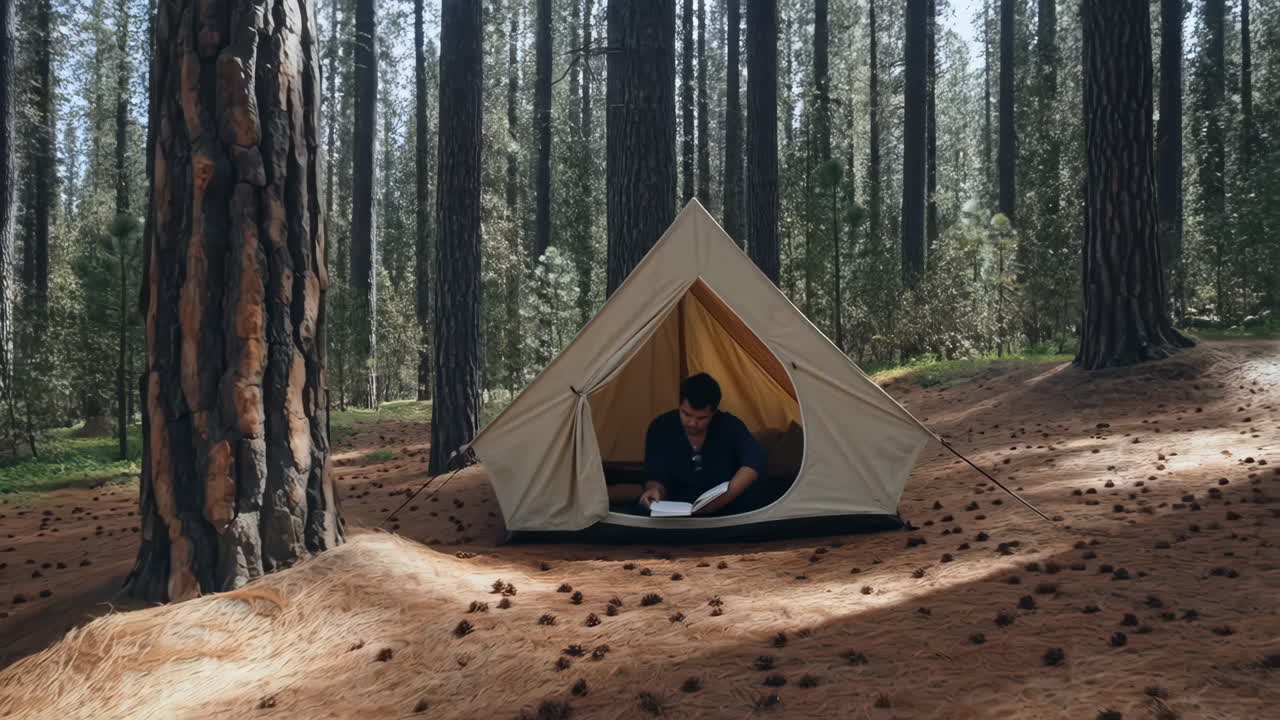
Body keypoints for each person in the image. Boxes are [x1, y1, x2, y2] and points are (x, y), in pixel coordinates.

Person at [638, 373, 767, 515]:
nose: (692, 423)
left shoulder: (730, 425)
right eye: (686, 414)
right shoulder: (661, 427)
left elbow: (754, 462)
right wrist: (655, 490)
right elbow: (655, 475)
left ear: (714, 412)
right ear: (679, 405)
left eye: (701, 418)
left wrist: (721, 500)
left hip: (725, 505)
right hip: (676, 506)